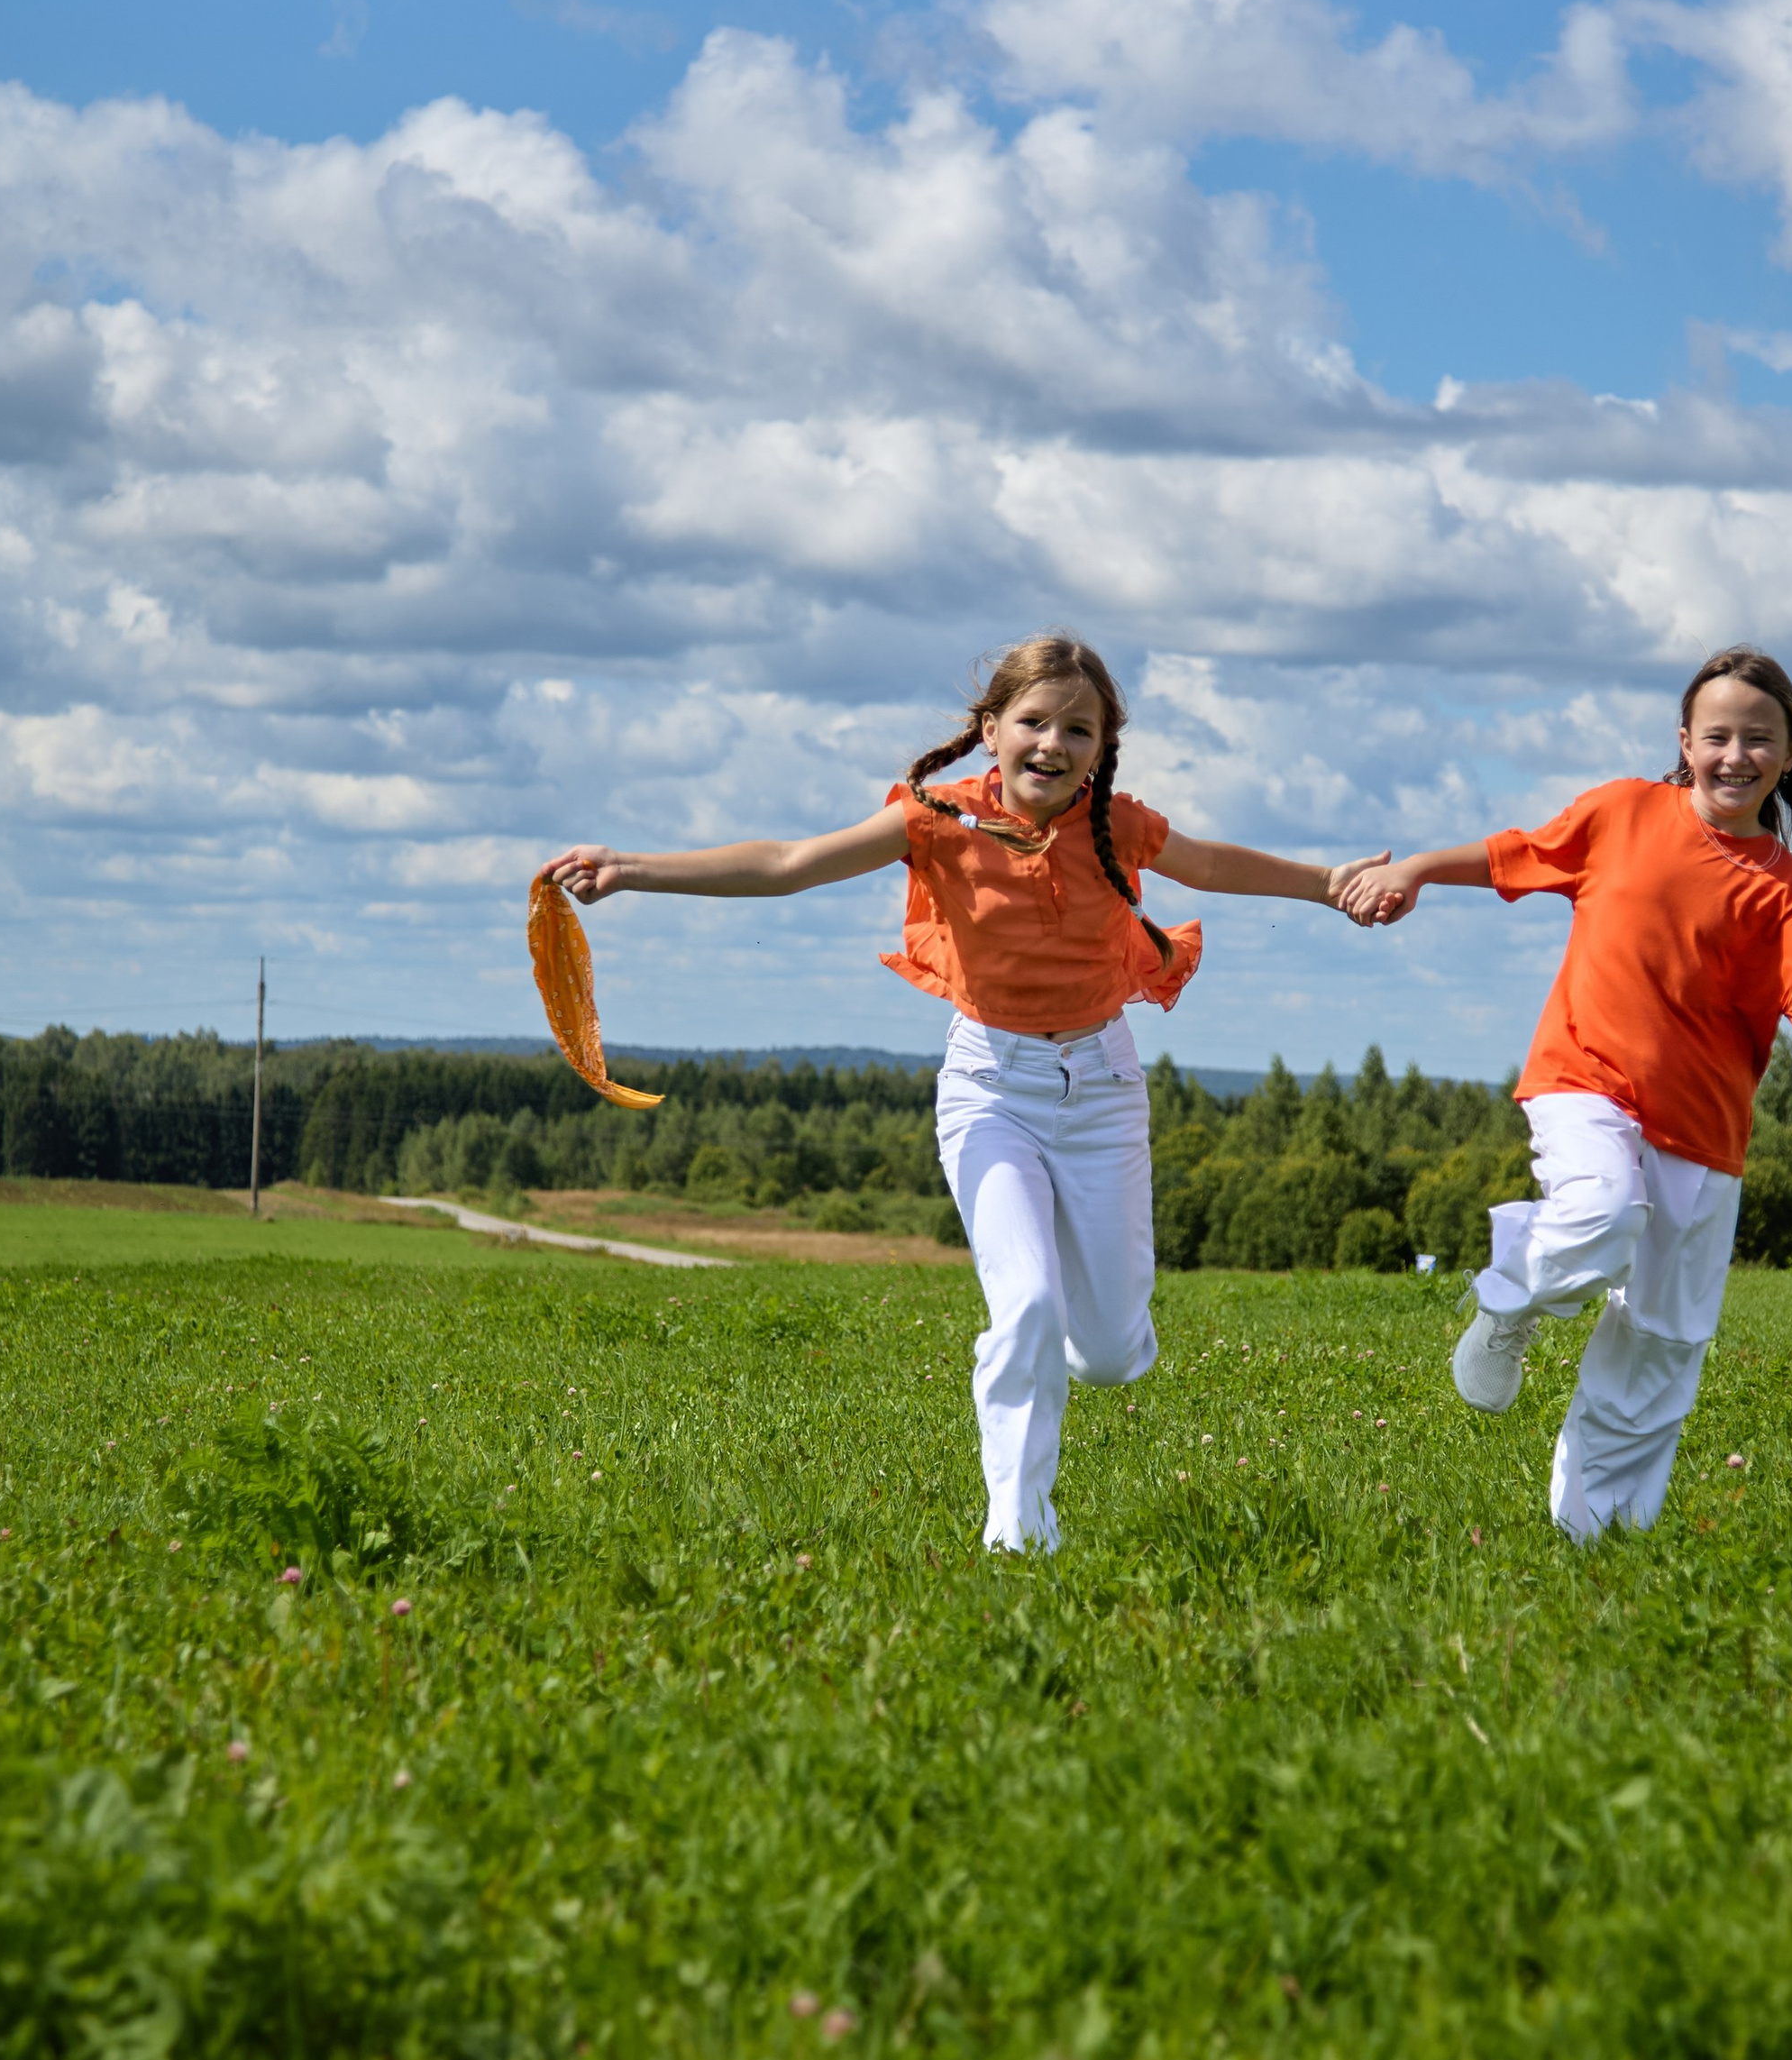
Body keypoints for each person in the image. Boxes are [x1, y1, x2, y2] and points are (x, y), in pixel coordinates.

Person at [542, 634, 1384, 1552]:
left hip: (1100, 1091)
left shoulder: (1122, 825)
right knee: (1024, 1307)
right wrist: (633, 868)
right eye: (1033, 722)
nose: (1053, 745)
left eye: (1078, 729)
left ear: (1103, 748)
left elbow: (1215, 867)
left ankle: (1072, 1343)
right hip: (991, 1089)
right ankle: (1017, 1533)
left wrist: (1331, 885)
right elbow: (787, 863)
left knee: (1104, 1352)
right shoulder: (933, 818)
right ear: (991, 730)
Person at [1340, 646, 1792, 1542]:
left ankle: (1595, 1541)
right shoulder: (1623, 811)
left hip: (1703, 1138)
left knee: (1660, 1345)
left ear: (1789, 754)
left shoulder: (1790, 899)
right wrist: (1417, 869)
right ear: (1684, 742)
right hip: (1584, 1081)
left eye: (1758, 739)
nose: (1734, 755)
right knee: (1596, 1211)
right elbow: (1520, 852)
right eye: (1717, 736)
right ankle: (1508, 1299)